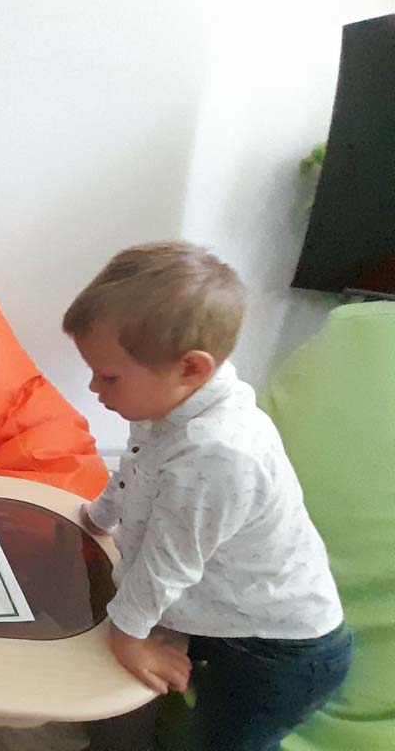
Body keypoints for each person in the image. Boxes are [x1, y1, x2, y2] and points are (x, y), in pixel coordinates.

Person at [63, 242, 351, 751]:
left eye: (108, 376)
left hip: (276, 652)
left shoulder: (217, 452)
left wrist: (126, 635)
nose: (94, 388)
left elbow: (168, 563)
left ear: (192, 369)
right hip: (220, 618)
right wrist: (98, 518)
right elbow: (134, 468)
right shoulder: (165, 407)